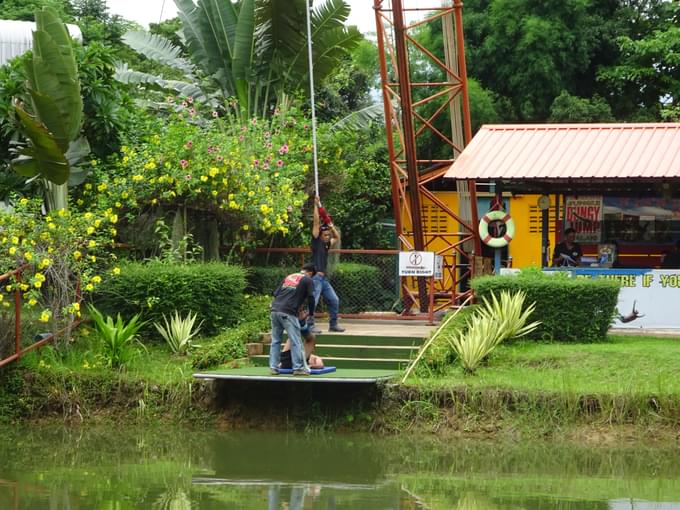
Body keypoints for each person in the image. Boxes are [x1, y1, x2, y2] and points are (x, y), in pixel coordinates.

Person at [269, 263, 316, 376]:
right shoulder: (308, 279)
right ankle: (298, 368)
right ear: (310, 273)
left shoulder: (289, 276)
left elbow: (276, 293)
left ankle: (273, 367)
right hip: (288, 312)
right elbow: (311, 297)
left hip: (275, 310)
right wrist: (311, 312)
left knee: (275, 340)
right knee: (296, 341)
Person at [309, 196, 345, 333]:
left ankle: (333, 325)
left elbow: (337, 237)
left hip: (324, 279)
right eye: (325, 235)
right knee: (314, 301)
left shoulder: (326, 245)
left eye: (328, 235)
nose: (328, 237)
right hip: (316, 277)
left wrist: (330, 226)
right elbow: (316, 223)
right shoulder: (317, 242)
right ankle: (310, 325)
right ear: (320, 235)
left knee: (334, 300)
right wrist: (317, 206)